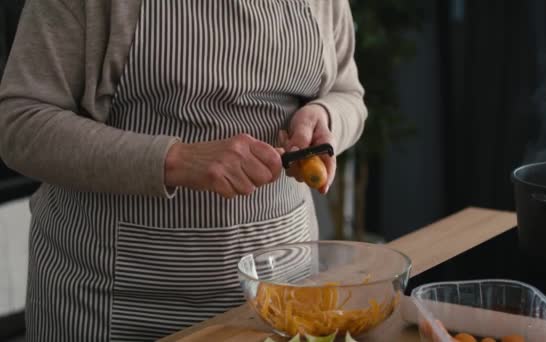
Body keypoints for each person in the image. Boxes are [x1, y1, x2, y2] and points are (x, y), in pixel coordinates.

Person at [0, 0, 367, 340]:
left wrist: (325, 119)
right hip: (112, 298)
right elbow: (19, 124)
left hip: (283, 290)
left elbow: (348, 93)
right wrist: (174, 159)